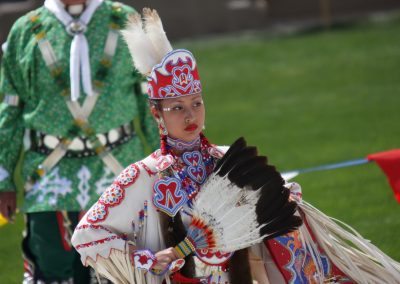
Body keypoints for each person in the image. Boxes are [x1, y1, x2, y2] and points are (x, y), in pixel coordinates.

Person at [71, 9, 400, 284]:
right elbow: (86, 234)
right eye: (177, 108)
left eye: (196, 103)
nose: (190, 115)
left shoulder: (226, 160)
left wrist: (285, 197)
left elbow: (278, 207)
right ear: (157, 113)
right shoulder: (142, 177)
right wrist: (143, 259)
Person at [0, 0, 159, 283]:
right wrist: (3, 179)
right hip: (49, 178)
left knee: (123, 270)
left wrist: (171, 160)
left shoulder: (124, 20)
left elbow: (151, 99)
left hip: (120, 173)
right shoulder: (25, 31)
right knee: (51, 271)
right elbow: (10, 110)